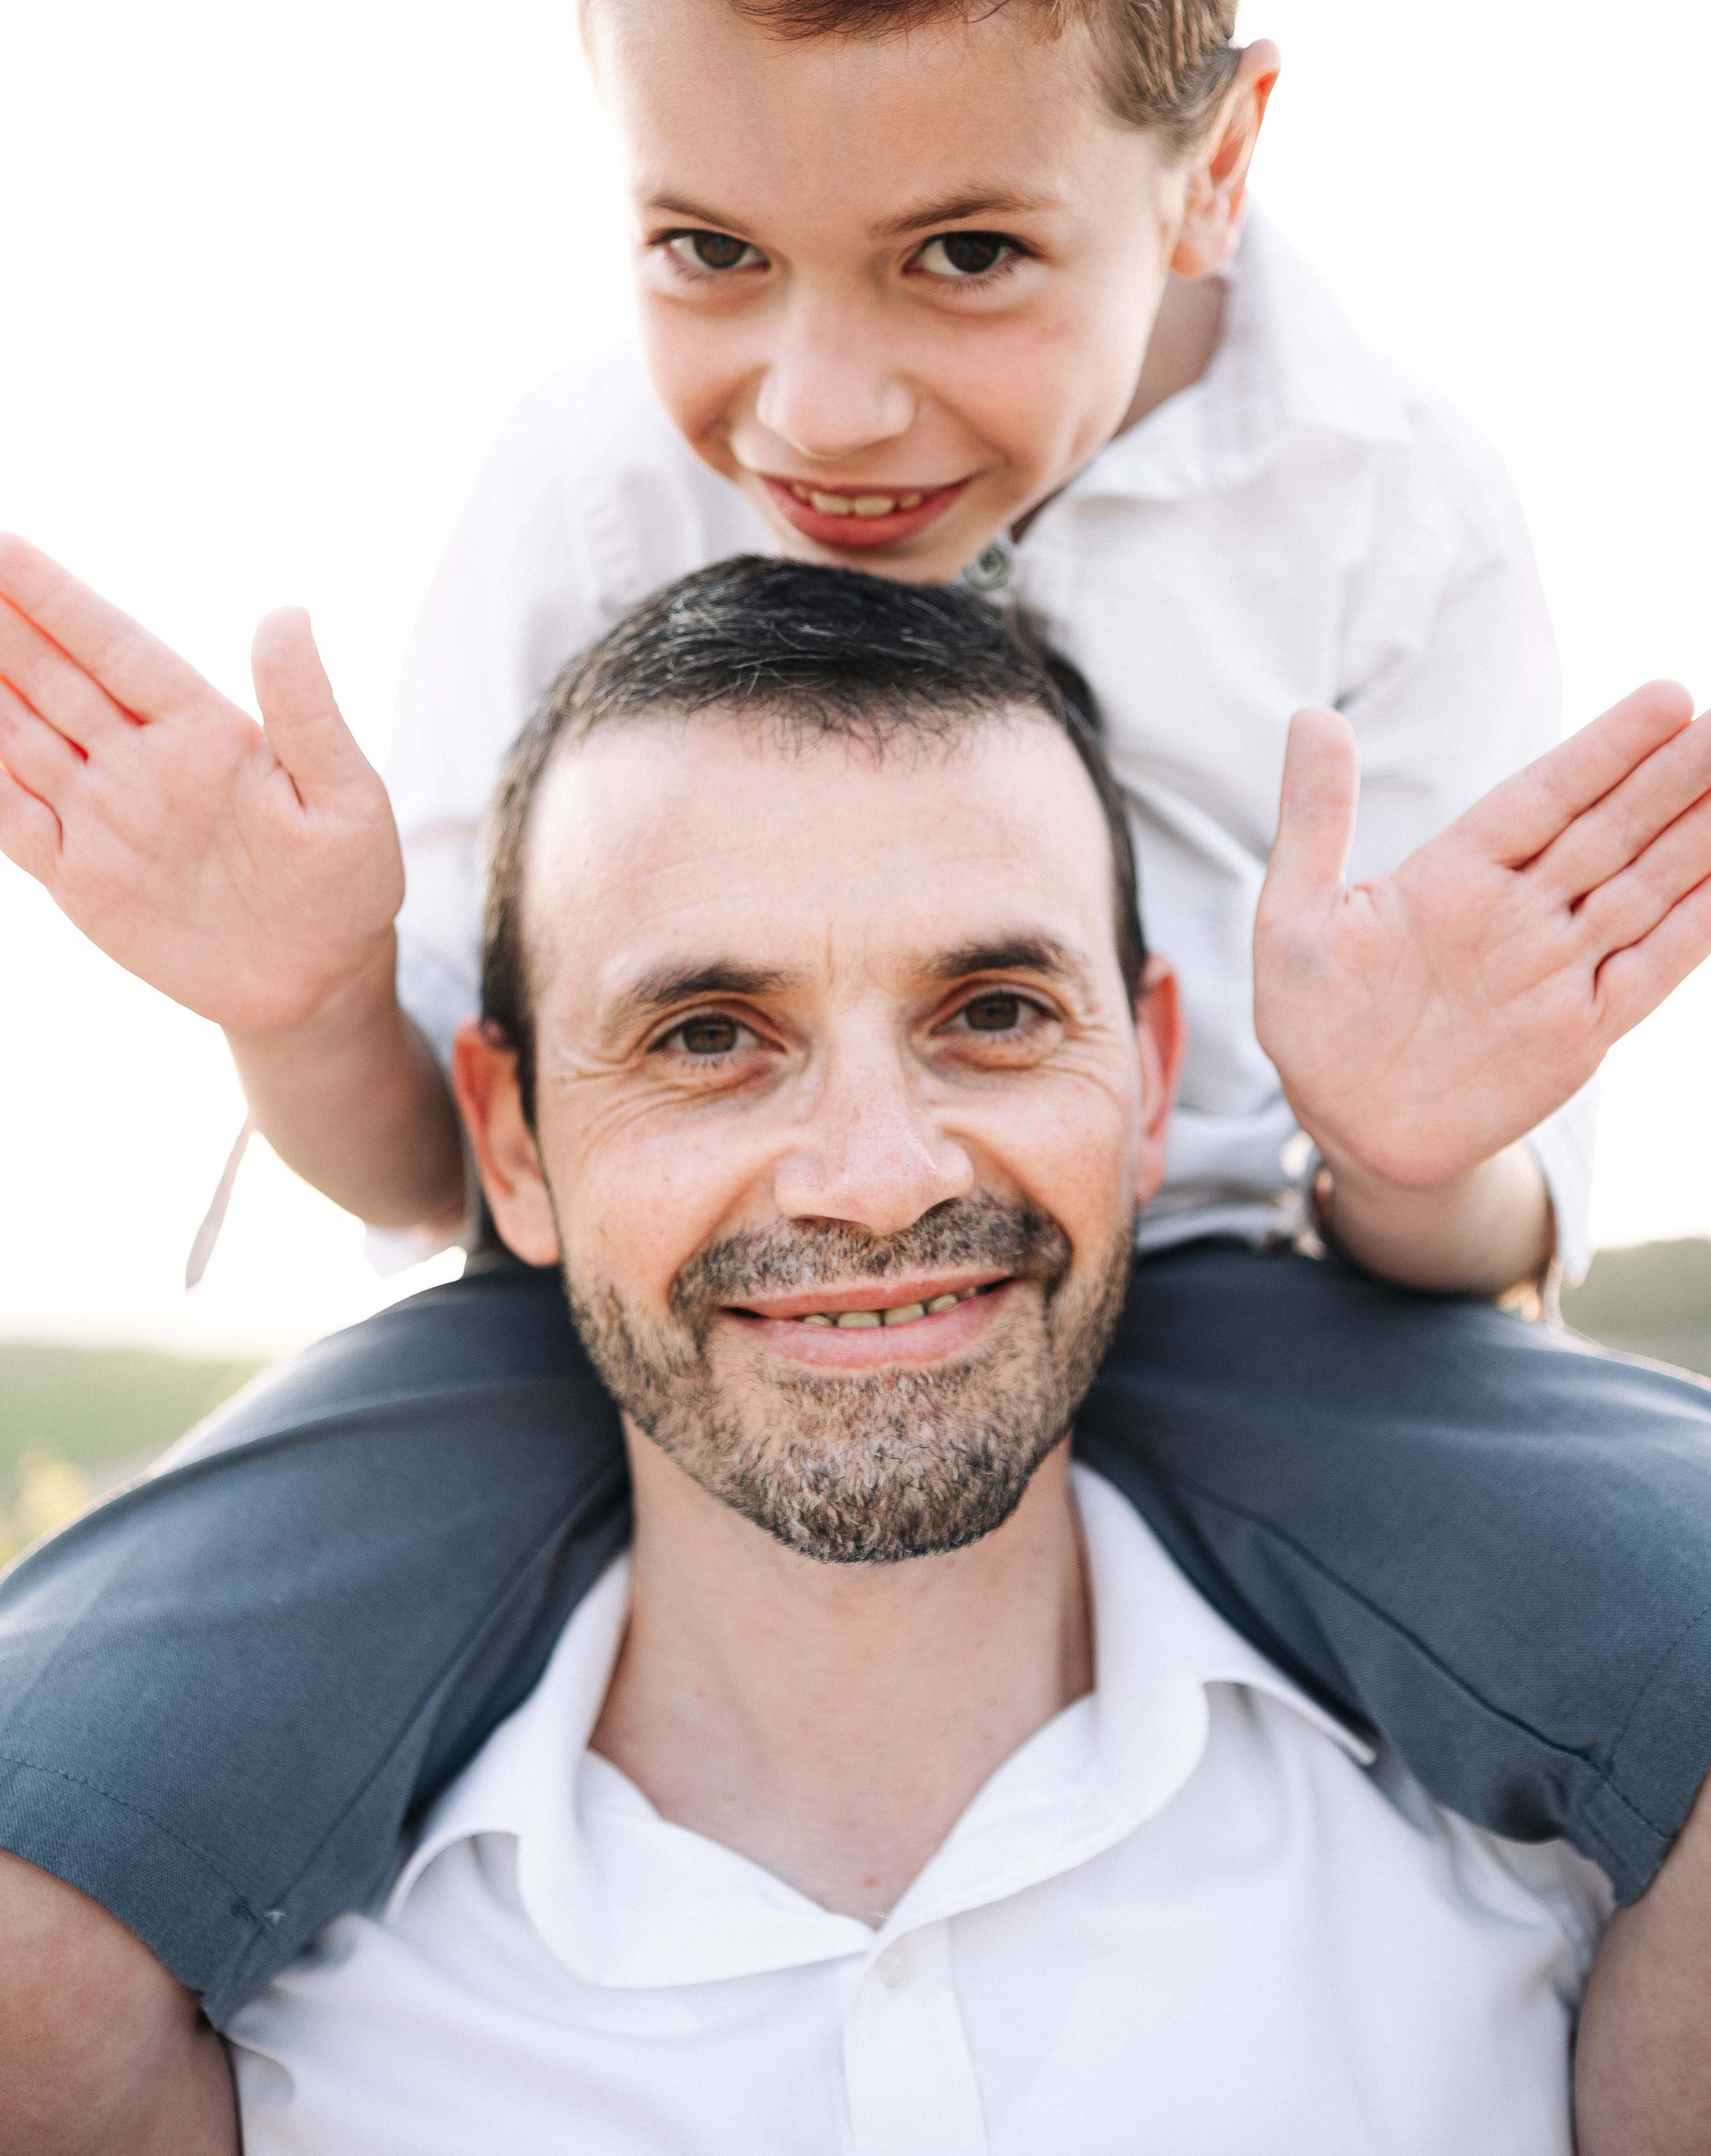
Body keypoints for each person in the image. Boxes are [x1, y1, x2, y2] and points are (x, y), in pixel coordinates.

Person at [1, 0, 1710, 2143]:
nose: (817, 403)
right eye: (708, 250)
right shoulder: (585, 485)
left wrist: (1406, 1142)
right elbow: (458, 1158)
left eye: (967, 255)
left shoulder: (1395, 511)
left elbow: (1481, 1240)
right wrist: (298, 997)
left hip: (1265, 1299)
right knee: (41, 1879)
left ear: (1215, 165)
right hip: (605, 1341)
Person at [6, 560, 1673, 2153]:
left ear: (1153, 1078)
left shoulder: (1579, 1916)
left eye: (994, 1012)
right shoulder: (234, 2051)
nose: (879, 1179)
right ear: (509, 1144)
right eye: (706, 1037)